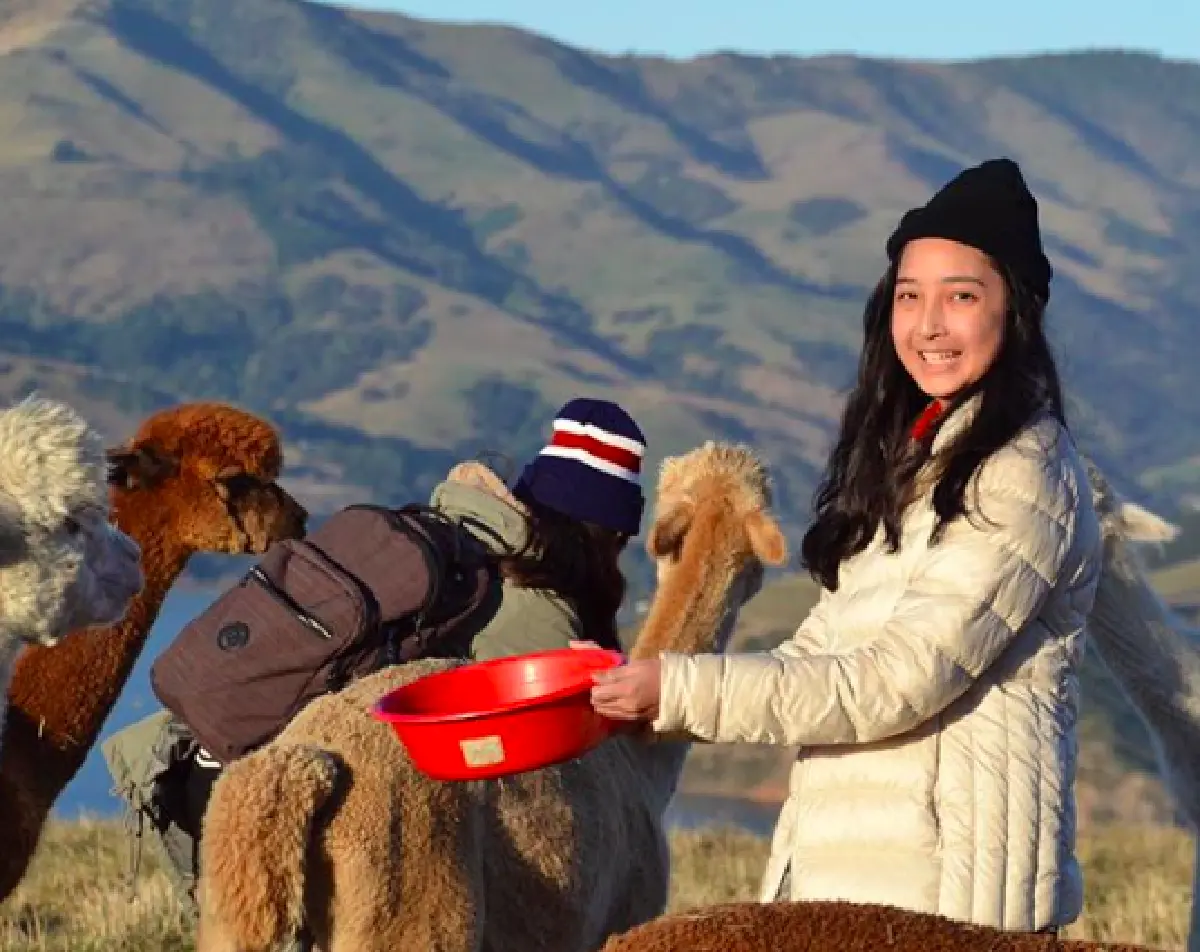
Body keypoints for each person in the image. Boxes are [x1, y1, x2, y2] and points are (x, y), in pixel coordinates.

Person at [585, 158, 1103, 936]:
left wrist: (683, 691)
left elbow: (896, 681)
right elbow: (815, 659)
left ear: (1016, 310)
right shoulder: (917, 467)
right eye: (909, 296)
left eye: (961, 296)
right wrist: (660, 692)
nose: (928, 324)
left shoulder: (1020, 475)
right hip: (859, 891)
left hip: (946, 908)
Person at [101, 396, 646, 921]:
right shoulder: (539, 616)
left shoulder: (439, 529)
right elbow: (533, 782)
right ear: (602, 537)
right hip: (318, 812)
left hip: (214, 771)